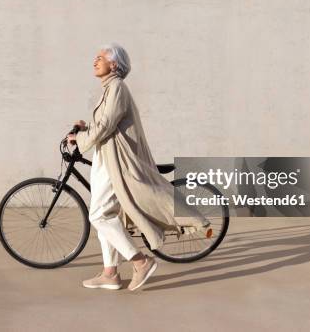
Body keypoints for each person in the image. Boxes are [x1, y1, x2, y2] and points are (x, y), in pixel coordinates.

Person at [67, 44, 211, 291]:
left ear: (114, 64)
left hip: (118, 161)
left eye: (100, 57)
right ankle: (110, 273)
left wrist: (80, 140)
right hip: (107, 157)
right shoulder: (109, 89)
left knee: (98, 215)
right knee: (107, 215)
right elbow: (103, 124)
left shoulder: (117, 88)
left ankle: (140, 261)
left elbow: (105, 127)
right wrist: (84, 127)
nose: (95, 60)